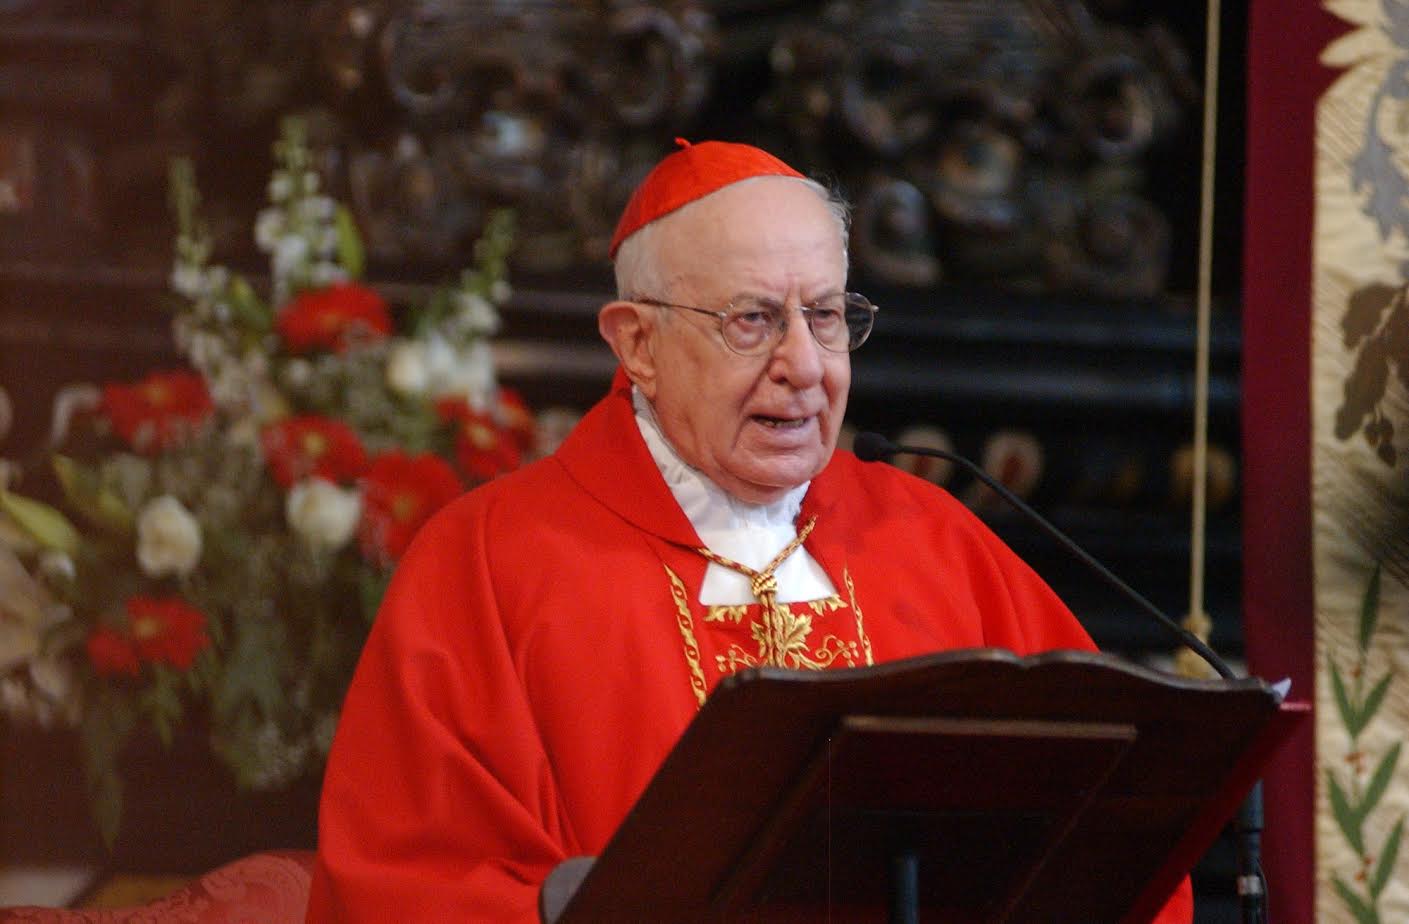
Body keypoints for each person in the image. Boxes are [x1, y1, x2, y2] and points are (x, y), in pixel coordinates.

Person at [304, 139, 1193, 922]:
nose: (803, 366)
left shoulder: (934, 541)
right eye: (752, 320)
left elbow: (1112, 843)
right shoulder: (489, 563)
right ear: (636, 345)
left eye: (826, 316)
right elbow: (409, 887)